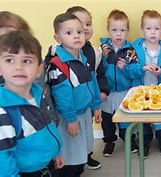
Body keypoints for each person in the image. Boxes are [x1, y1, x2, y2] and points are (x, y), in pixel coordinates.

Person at [0, 31, 63, 177]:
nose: (18, 67)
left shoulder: (38, 95)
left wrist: (56, 152)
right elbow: (0, 162)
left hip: (46, 165)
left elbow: (48, 128)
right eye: (10, 60)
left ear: (39, 69)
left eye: (27, 61)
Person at [47, 13, 102, 177]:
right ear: (58, 38)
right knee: (70, 155)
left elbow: (93, 81)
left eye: (79, 31)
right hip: (69, 117)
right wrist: (71, 119)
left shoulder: (82, 57)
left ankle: (78, 170)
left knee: (83, 149)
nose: (76, 36)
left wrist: (97, 105)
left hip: (84, 112)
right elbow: (62, 97)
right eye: (69, 33)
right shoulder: (58, 65)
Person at [129, 10, 161, 158]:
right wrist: (142, 68)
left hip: (160, 92)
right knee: (143, 121)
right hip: (141, 93)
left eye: (157, 29)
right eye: (149, 28)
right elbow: (129, 70)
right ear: (142, 30)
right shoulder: (134, 49)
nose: (153, 32)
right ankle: (144, 144)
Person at [65, 6, 108, 169]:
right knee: (73, 133)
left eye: (87, 24)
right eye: (77, 26)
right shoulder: (60, 52)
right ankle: (73, 163)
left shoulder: (94, 51)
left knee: (87, 132)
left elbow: (100, 74)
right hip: (70, 104)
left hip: (89, 101)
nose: (83, 29)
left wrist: (103, 92)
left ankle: (87, 156)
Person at [99, 9, 139, 157]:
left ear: (127, 31)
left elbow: (135, 71)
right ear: (108, 31)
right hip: (108, 93)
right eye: (114, 30)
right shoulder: (103, 49)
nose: (118, 34)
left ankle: (129, 139)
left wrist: (125, 68)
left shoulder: (131, 51)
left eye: (122, 30)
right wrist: (104, 58)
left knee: (125, 120)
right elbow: (98, 71)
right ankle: (109, 142)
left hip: (124, 91)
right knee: (107, 122)